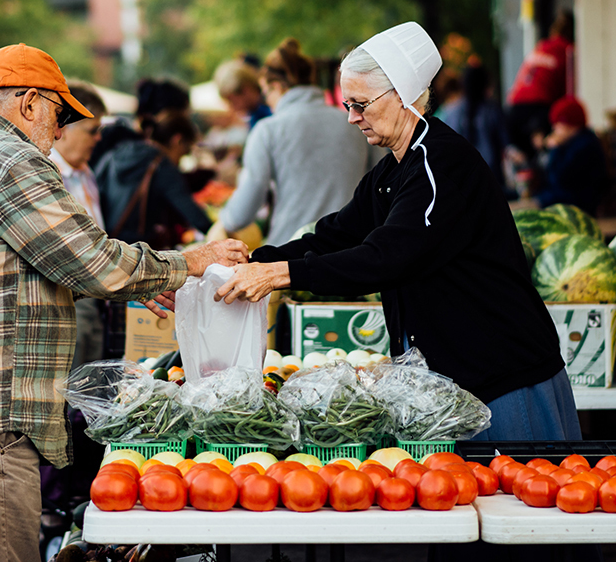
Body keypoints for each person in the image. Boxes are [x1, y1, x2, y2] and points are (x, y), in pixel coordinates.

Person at [0, 43, 247, 562]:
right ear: (30, 102)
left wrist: (144, 282)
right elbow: (93, 260)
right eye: (59, 114)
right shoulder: (7, 158)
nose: (59, 133)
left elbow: (3, 273)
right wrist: (190, 261)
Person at [215, 23, 579, 441]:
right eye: (347, 103)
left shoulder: (440, 164)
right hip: (454, 387)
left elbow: (388, 255)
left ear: (403, 96)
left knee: (527, 498)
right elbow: (334, 235)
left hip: (506, 380)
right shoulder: (391, 171)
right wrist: (248, 263)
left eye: (360, 104)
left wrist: (281, 276)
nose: (351, 117)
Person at [215, 37, 378, 246]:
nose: (269, 103)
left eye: (266, 93)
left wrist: (223, 221)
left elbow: (242, 212)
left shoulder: (267, 130)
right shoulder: (354, 122)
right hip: (352, 246)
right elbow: (380, 180)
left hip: (291, 250)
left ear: (276, 87)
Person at [49, 81, 107, 368]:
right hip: (69, 295)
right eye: (93, 130)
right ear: (66, 128)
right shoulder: (47, 174)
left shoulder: (85, 172)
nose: (98, 139)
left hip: (94, 291)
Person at [95, 108, 213, 249]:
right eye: (184, 152)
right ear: (178, 140)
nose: (181, 161)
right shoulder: (161, 164)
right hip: (137, 246)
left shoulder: (118, 151)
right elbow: (192, 213)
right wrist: (221, 233)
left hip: (105, 240)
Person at [505, 9, 574, 164]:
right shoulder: (568, 49)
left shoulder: (541, 46)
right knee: (545, 152)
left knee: (526, 159)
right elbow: (568, 89)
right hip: (540, 107)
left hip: (515, 106)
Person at [437, 64, 510, 189]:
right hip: (491, 179)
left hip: (460, 181)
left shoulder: (450, 113)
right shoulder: (492, 110)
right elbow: (507, 144)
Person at [536, 95, 609, 216]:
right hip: (569, 201)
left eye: (558, 124)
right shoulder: (575, 143)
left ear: (569, 124)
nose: (555, 129)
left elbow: (558, 178)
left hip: (578, 208)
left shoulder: (585, 145)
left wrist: (555, 148)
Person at [213, 57, 272, 130]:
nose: (232, 109)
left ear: (246, 90)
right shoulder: (255, 115)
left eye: (232, 102)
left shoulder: (270, 109)